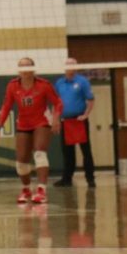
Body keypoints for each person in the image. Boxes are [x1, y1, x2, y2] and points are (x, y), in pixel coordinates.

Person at [0, 57, 62, 205]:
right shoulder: (12, 86)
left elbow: (58, 103)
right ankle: (26, 189)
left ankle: (42, 191)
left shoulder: (44, 85)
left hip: (41, 122)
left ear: (33, 69)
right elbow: (6, 107)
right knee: (21, 161)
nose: (24, 70)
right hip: (23, 124)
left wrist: (56, 118)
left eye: (27, 66)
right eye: (21, 67)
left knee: (39, 152)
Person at [54, 58, 96, 187]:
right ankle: (67, 179)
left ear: (76, 67)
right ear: (64, 67)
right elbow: (56, 102)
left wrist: (86, 114)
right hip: (65, 121)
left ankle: (90, 179)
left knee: (86, 151)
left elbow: (90, 99)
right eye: (68, 64)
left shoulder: (82, 81)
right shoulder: (59, 83)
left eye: (73, 64)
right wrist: (55, 119)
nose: (70, 67)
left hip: (79, 120)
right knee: (67, 152)